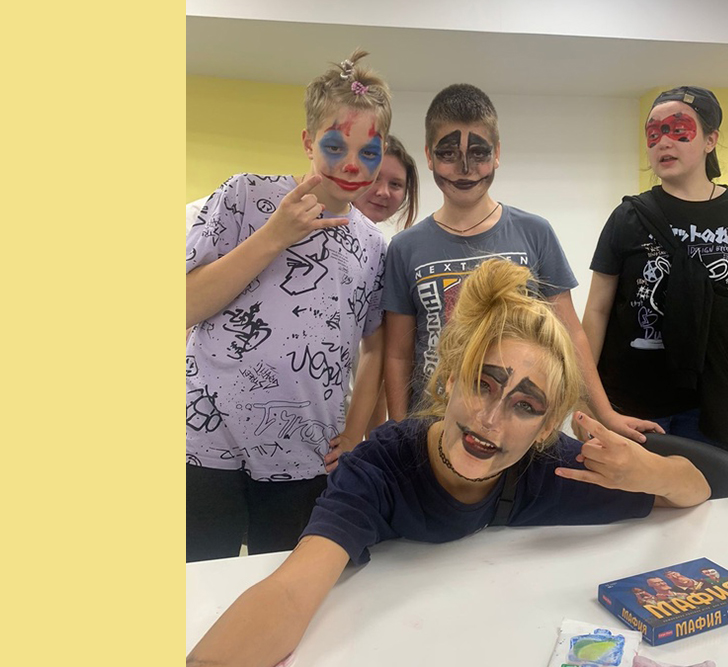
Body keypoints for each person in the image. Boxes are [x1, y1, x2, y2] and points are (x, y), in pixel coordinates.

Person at [186, 259, 710, 667]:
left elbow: (695, 490)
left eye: (525, 406)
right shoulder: (380, 469)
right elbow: (289, 591)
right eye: (482, 384)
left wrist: (647, 471)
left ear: (548, 426)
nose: (491, 421)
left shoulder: (550, 467)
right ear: (451, 378)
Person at [185, 49, 391, 562]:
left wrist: (356, 430)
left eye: (368, 151)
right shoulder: (244, 198)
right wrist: (275, 234)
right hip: (204, 442)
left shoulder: (373, 245)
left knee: (282, 583)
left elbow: (375, 346)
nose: (351, 164)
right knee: (193, 586)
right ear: (307, 141)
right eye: (335, 146)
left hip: (305, 454)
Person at [382, 83, 662, 445]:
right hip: (433, 430)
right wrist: (401, 433)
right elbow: (398, 354)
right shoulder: (405, 248)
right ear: (429, 156)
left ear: (497, 153)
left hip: (517, 430)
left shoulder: (534, 233)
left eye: (479, 153)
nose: (465, 169)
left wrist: (605, 413)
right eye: (448, 153)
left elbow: (570, 333)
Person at [582, 85, 728, 458]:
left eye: (678, 130)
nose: (663, 142)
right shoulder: (627, 216)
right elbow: (596, 310)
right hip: (630, 403)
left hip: (714, 403)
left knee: (713, 491)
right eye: (653, 133)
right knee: (629, 493)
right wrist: (586, 398)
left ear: (711, 140)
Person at [346, 134, 420, 446]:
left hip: (339, 421)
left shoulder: (380, 251)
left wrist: (367, 443)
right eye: (375, 178)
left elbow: (376, 351)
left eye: (396, 184)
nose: (383, 192)